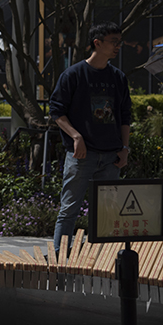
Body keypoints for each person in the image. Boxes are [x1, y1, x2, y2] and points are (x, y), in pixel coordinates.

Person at [50, 21, 131, 254]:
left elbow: (125, 116)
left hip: (111, 157)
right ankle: (59, 259)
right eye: (113, 42)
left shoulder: (118, 77)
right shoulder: (73, 75)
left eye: (119, 42)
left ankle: (103, 261)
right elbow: (56, 111)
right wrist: (76, 136)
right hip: (80, 156)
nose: (118, 46)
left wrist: (125, 148)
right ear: (97, 43)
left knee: (108, 215)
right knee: (69, 210)